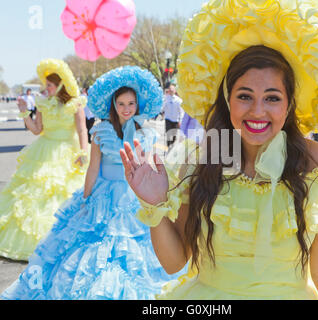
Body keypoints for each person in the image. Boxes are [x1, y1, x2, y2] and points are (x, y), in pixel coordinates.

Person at [120, 0, 318, 300]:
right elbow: (175, 262)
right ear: (227, 99)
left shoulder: (316, 163)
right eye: (245, 95)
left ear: (290, 103)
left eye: (272, 98)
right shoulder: (199, 161)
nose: (257, 111)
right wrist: (156, 205)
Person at [1, 66, 187, 300]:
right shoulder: (101, 131)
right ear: (114, 105)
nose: (126, 109)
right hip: (104, 195)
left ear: (137, 105)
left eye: (131, 104)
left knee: (136, 250)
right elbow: (93, 168)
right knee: (97, 248)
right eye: (121, 104)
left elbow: (150, 169)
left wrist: (160, 199)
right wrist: (86, 198)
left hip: (136, 196)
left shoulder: (147, 134)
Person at [0, 59, 89, 261]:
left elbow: (82, 129)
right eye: (46, 85)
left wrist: (83, 152)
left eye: (49, 85)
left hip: (69, 152)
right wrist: (24, 112)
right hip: (44, 150)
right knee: (35, 196)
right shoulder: (42, 104)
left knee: (64, 195)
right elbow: (36, 130)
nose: (46, 89)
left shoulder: (76, 104)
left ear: (60, 85)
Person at [162, 83, 184, 148]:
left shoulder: (179, 100)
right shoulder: (165, 98)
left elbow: (181, 112)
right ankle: (168, 146)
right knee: (168, 133)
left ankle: (172, 143)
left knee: (174, 136)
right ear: (168, 90)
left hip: (175, 120)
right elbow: (162, 108)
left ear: (175, 91)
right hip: (168, 119)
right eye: (170, 89)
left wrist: (180, 120)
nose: (171, 90)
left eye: (172, 89)